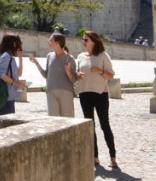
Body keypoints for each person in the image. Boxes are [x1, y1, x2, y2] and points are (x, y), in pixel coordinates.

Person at [77, 31, 119, 169]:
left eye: (86, 40)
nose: (84, 42)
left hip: (100, 94)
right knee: (90, 127)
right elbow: (77, 73)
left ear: (94, 41)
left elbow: (111, 76)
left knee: (104, 125)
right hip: (84, 94)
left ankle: (113, 157)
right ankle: (94, 157)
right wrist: (77, 74)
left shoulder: (103, 55)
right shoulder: (80, 56)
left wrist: (100, 71)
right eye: (83, 40)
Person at [30, 33, 77, 117]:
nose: (49, 42)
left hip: (66, 92)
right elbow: (46, 75)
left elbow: (74, 80)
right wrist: (36, 63)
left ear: (57, 42)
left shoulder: (69, 58)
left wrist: (68, 72)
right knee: (53, 119)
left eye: (51, 40)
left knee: (67, 119)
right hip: (51, 92)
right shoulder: (49, 56)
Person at [0, 33, 28, 115]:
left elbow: (19, 74)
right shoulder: (6, 56)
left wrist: (20, 58)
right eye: (19, 44)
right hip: (4, 97)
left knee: (7, 123)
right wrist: (14, 83)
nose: (20, 47)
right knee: (5, 124)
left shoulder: (10, 57)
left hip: (9, 97)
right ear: (14, 44)